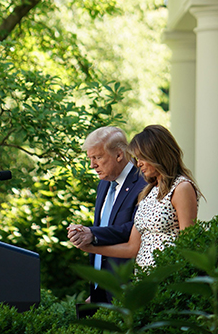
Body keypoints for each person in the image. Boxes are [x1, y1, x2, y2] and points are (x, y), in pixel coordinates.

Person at [72, 124, 201, 271]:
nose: (138, 164)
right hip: (143, 281)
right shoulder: (149, 190)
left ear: (157, 156)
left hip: (167, 278)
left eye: (141, 158)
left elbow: (189, 243)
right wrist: (88, 247)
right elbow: (132, 248)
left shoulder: (181, 187)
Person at [67, 126, 148, 304]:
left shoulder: (143, 182)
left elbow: (134, 228)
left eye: (97, 157)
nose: (92, 165)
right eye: (90, 158)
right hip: (100, 289)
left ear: (119, 154)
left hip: (126, 289)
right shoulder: (104, 183)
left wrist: (93, 234)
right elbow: (106, 226)